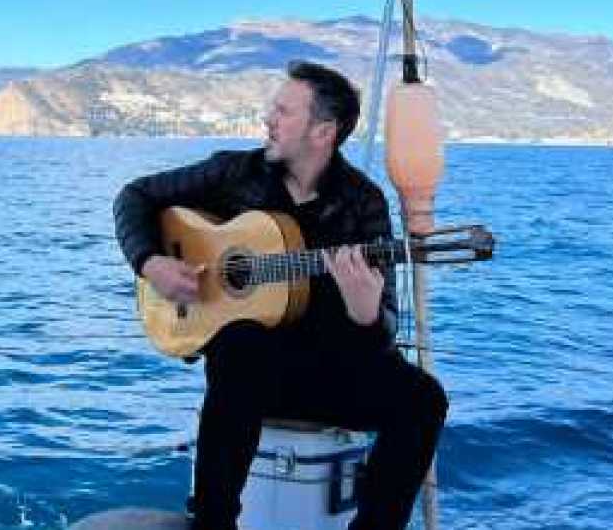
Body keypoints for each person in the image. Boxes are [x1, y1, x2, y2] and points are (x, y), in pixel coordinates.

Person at [113, 60, 448, 530]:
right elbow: (134, 197)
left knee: (424, 400)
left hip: (330, 374)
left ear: (323, 131)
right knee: (241, 342)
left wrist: (366, 315)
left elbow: (381, 331)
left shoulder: (362, 202)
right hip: (250, 379)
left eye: (283, 111)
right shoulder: (234, 172)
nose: (267, 120)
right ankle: (213, 523)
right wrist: (151, 263)